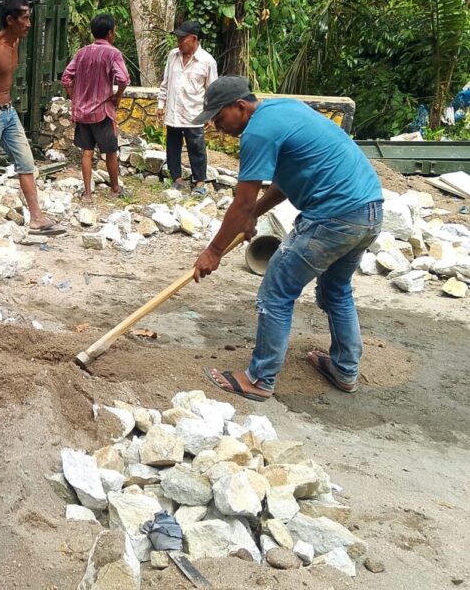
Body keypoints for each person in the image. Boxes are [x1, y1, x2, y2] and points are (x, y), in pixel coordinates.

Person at [192, 76, 383, 402]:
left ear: (240, 106)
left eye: (219, 117)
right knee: (336, 289)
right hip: (370, 209)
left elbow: (242, 202)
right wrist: (254, 215)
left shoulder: (256, 132)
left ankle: (260, 379)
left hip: (333, 216)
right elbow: (284, 181)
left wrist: (214, 250)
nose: (216, 126)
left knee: (276, 292)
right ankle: (345, 370)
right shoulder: (282, 111)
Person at [0, 0, 64, 235]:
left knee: (26, 163)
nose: (29, 24)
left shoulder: (16, 43)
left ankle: (36, 217)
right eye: (25, 18)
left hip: (8, 111)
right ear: (10, 20)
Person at [61, 13, 131, 203]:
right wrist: (118, 95)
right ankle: (115, 189)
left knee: (87, 152)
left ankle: (88, 194)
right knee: (110, 151)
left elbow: (66, 78)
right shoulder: (113, 53)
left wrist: (74, 97)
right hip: (102, 111)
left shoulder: (81, 52)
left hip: (82, 112)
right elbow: (123, 78)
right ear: (110, 33)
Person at [156, 21, 217, 194]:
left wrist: (210, 114)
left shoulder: (207, 62)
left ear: (194, 39)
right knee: (173, 146)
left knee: (196, 148)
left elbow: (212, 91)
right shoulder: (172, 56)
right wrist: (161, 105)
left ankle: (199, 183)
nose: (179, 42)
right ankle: (176, 178)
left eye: (183, 39)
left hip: (194, 113)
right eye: (178, 38)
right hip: (174, 112)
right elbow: (166, 83)